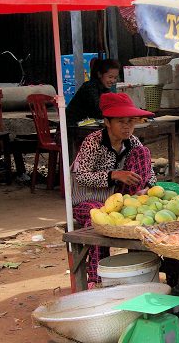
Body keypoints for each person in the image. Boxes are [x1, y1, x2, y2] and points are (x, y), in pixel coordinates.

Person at [71, 92, 156, 285]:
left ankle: (141, 269)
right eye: (121, 122)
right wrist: (114, 174)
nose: (127, 126)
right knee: (96, 222)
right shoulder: (93, 142)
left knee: (143, 152)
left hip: (122, 198)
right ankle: (97, 280)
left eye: (130, 121)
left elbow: (149, 173)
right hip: (88, 199)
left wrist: (149, 188)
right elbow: (82, 176)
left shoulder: (133, 142)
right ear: (107, 122)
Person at [66, 58, 120, 125]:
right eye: (110, 77)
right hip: (73, 126)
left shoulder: (105, 90)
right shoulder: (89, 88)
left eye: (115, 78)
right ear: (100, 74)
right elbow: (98, 111)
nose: (113, 81)